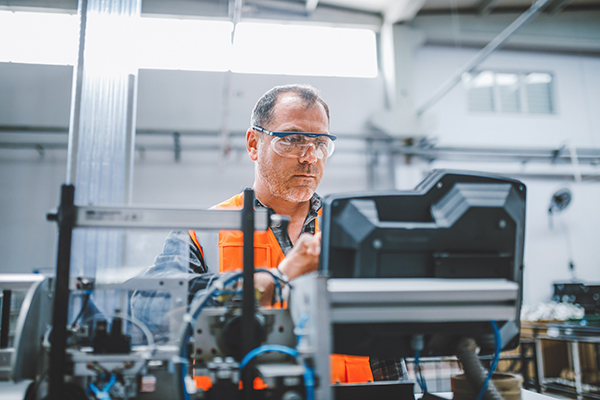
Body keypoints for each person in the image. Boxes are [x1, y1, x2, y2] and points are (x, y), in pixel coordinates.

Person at [134, 84, 408, 383]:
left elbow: (386, 352)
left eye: (320, 143)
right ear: (253, 144)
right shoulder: (205, 229)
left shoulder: (357, 232)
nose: (310, 157)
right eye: (292, 139)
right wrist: (276, 278)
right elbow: (149, 313)